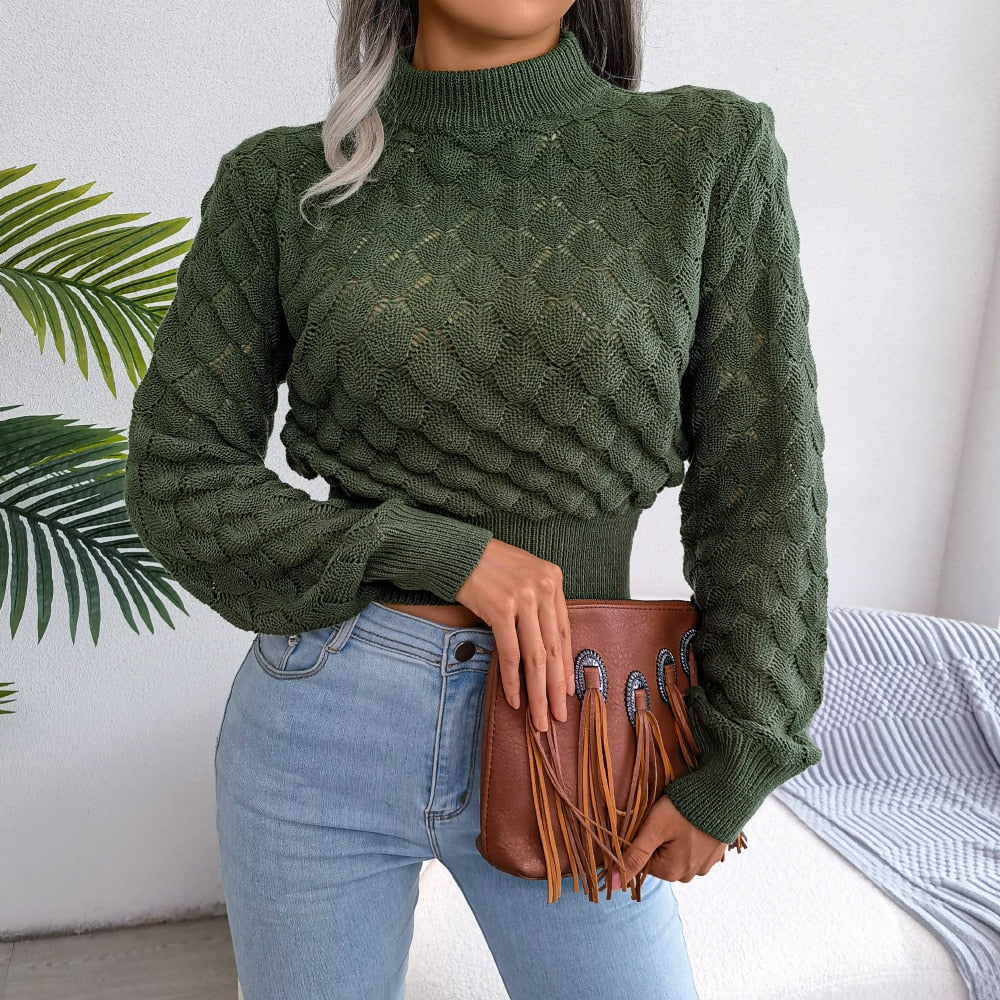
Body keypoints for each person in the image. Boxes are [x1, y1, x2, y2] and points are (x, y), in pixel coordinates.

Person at [123, 2, 828, 997]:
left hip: (577, 722)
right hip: (321, 722)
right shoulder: (282, 181)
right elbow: (177, 473)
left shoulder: (704, 152)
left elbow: (763, 486)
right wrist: (442, 553)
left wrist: (743, 749)